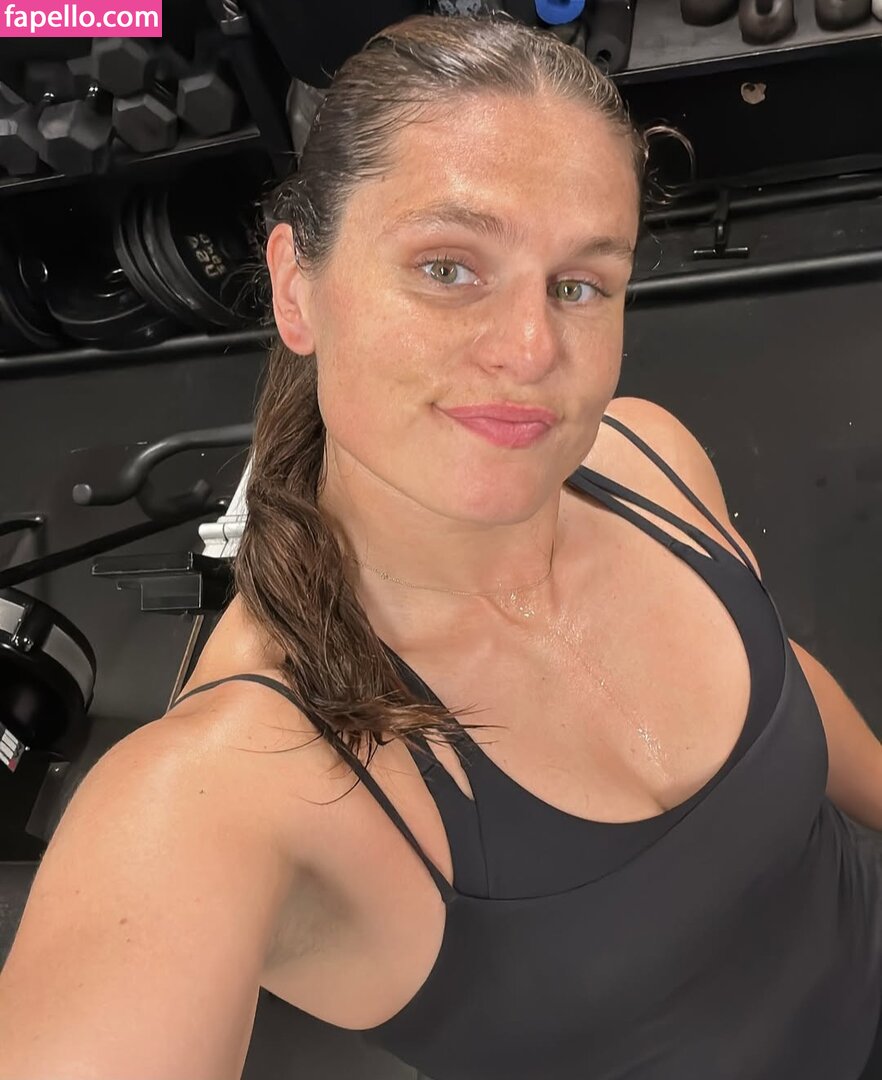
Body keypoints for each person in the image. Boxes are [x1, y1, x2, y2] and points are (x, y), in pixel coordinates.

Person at [2, 13, 882, 1080]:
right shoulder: (223, 790)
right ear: (296, 287)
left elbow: (779, 679)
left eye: (579, 283)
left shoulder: (651, 456)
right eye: (448, 267)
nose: (531, 349)